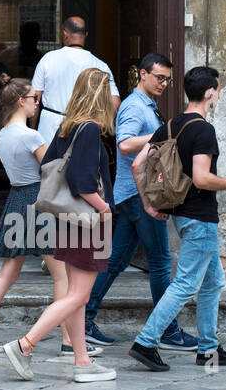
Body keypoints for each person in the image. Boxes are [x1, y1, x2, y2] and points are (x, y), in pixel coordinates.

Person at [128, 67, 226, 372]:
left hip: (181, 216)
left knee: (213, 282)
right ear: (210, 92)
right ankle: (145, 342)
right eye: (219, 89)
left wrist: (148, 204)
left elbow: (137, 165)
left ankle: (208, 350)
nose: (218, 94)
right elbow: (201, 179)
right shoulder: (203, 130)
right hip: (200, 218)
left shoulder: (169, 125)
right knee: (186, 284)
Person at [1, 68, 117, 384]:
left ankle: (82, 361)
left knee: (75, 294)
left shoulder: (67, 126)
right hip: (88, 220)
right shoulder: (91, 129)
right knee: (77, 296)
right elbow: (82, 183)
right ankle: (25, 345)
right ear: (101, 94)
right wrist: (105, 208)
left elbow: (49, 167)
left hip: (65, 219)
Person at [0, 79, 95, 358]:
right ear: (20, 101)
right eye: (34, 99)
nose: (37, 103)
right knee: (60, 273)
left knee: (8, 272)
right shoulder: (30, 136)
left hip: (17, 200)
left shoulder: (4, 134)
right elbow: (54, 170)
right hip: (38, 203)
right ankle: (68, 341)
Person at [83, 54, 198, 352]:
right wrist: (163, 135)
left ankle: (83, 319)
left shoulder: (145, 104)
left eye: (167, 79)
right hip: (140, 193)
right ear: (143, 74)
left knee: (117, 260)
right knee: (160, 262)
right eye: (159, 77)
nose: (164, 84)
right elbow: (124, 144)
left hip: (133, 192)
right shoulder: (134, 106)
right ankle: (168, 330)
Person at [30, 16, 120, 144]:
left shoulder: (48, 59)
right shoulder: (100, 65)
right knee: (80, 163)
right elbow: (115, 103)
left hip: (50, 126)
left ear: (65, 33)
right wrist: (98, 123)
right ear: (86, 34)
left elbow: (35, 99)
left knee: (49, 163)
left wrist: (33, 129)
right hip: (84, 127)